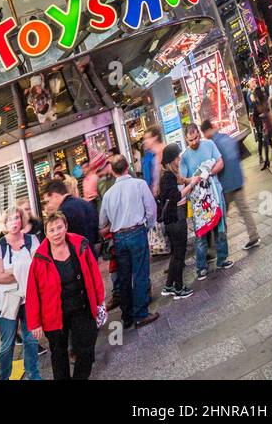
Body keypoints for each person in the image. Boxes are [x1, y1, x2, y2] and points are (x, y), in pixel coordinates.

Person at [24, 211, 106, 380]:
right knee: (59, 355)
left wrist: (99, 301)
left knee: (86, 350)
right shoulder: (39, 258)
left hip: (81, 307)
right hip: (53, 314)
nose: (56, 233)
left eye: (59, 227)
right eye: (52, 230)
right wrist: (35, 323)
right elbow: (32, 293)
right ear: (46, 233)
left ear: (66, 227)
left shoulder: (80, 244)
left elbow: (94, 274)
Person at [98, 155, 160, 329]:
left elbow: (102, 222)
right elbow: (151, 209)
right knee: (140, 273)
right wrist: (147, 226)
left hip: (118, 237)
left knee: (124, 277)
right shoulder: (139, 184)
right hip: (136, 231)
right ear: (127, 167)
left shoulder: (108, 195)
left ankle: (126, 316)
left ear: (113, 170)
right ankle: (140, 313)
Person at [0, 207, 40, 380]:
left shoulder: (32, 240)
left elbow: (39, 270)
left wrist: (11, 273)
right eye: (10, 219)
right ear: (5, 223)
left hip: (30, 299)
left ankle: (34, 375)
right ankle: (2, 377)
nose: (14, 222)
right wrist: (23, 274)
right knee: (7, 344)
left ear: (22, 220)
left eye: (17, 218)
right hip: (7, 300)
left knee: (31, 340)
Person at [180, 124, 232, 280]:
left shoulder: (209, 145)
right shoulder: (185, 157)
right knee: (200, 233)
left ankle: (222, 259)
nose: (194, 142)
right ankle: (201, 267)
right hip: (199, 200)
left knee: (220, 227)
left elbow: (220, 162)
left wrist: (208, 172)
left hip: (215, 192)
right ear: (186, 140)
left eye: (196, 138)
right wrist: (195, 178)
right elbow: (183, 179)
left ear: (199, 135)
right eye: (190, 140)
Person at [201, 120, 260, 251]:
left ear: (207, 131)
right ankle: (254, 235)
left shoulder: (213, 144)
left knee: (220, 217)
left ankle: (216, 248)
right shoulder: (226, 138)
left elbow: (216, 165)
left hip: (225, 185)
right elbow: (236, 156)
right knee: (244, 209)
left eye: (204, 133)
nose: (204, 136)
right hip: (237, 180)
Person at [155, 143, 194, 299]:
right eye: (177, 157)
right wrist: (191, 185)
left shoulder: (169, 176)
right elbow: (176, 197)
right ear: (172, 160)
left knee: (176, 254)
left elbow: (180, 183)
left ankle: (169, 285)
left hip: (173, 219)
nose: (180, 158)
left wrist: (189, 180)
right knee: (179, 254)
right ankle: (178, 288)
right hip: (175, 218)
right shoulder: (168, 177)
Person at [42, 178, 99, 252]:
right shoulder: (86, 204)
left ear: (55, 196)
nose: (48, 205)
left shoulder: (62, 213)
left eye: (48, 201)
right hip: (91, 255)